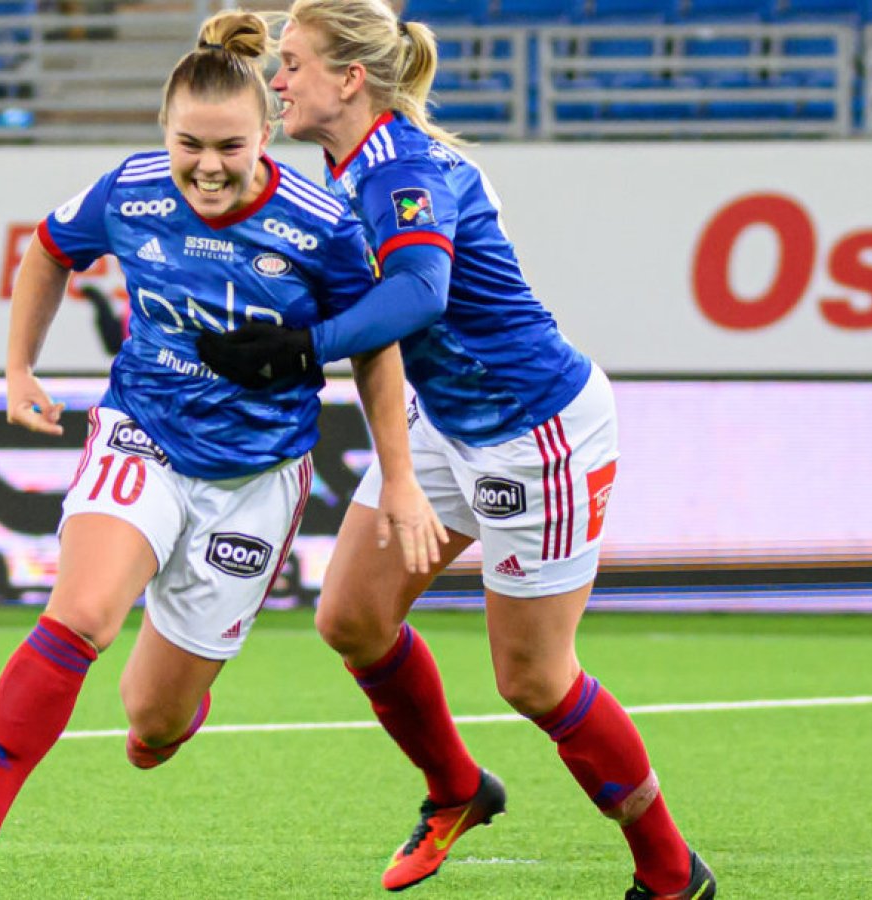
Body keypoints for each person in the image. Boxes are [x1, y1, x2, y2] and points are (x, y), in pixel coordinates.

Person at [193, 3, 714, 897]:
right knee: (350, 617)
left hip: (533, 430)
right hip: (448, 420)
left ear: (350, 80)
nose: (279, 82)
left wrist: (300, 349)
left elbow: (422, 295)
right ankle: (458, 790)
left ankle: (672, 875)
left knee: (535, 679)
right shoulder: (347, 165)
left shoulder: (405, 169)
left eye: (295, 66)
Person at [0, 10, 442, 889]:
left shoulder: (322, 221)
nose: (206, 164)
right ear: (163, 133)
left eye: (228, 146)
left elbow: (377, 347)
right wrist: (18, 370)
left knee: (151, 720)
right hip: (144, 435)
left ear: (266, 133)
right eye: (187, 143)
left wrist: (399, 478)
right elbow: (48, 253)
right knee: (81, 612)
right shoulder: (130, 190)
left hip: (258, 477)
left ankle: (172, 717)